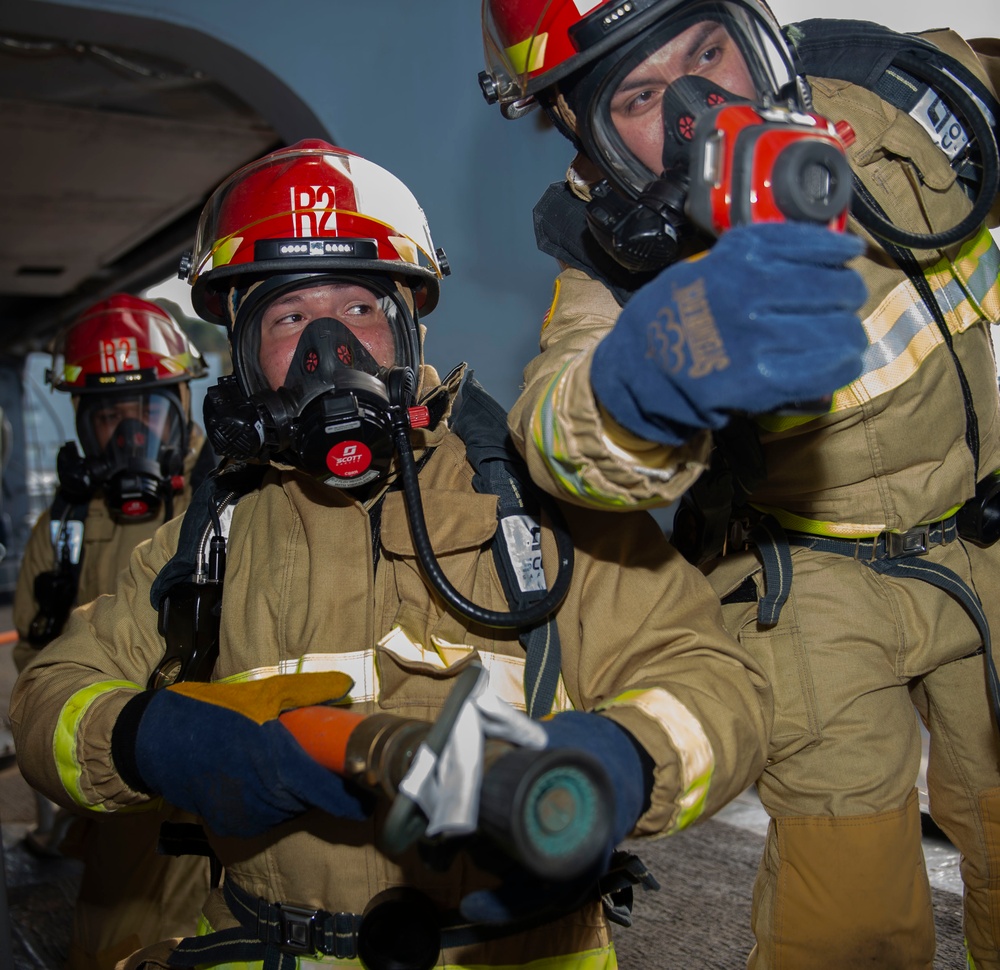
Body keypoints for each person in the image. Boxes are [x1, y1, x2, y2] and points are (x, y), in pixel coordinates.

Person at [9, 139, 771, 970]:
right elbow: (49, 696)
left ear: (409, 324)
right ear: (244, 354)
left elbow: (716, 683)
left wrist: (614, 764)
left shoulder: (532, 502)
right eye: (292, 320)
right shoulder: (209, 533)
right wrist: (147, 740)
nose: (331, 353)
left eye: (360, 312)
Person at [478, 1, 1000, 967]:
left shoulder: (900, 100)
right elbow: (554, 424)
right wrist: (654, 374)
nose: (699, 103)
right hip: (810, 584)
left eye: (709, 51)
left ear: (754, 32)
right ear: (585, 138)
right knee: (846, 922)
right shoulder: (614, 265)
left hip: (985, 528)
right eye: (641, 94)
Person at [11, 293, 214, 969]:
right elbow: (41, 661)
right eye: (108, 418)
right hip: (125, 801)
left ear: (182, 407)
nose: (131, 435)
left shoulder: (235, 495)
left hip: (228, 781)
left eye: (148, 411)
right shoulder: (63, 531)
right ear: (82, 425)